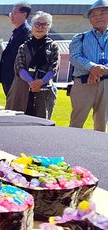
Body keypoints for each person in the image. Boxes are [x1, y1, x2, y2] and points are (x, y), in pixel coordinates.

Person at [6, 11, 60, 119]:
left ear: (48, 27)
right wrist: (31, 82)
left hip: (44, 90)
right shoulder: (24, 46)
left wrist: (41, 82)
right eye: (37, 24)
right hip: (21, 89)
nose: (40, 27)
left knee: (41, 122)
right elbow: (19, 67)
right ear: (32, 26)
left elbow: (54, 67)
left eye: (44, 24)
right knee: (17, 120)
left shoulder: (53, 46)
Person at [69, 0, 108, 132]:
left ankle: (97, 151)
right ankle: (71, 148)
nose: (98, 17)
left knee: (101, 122)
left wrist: (100, 70)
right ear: (90, 19)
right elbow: (75, 57)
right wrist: (92, 67)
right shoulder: (80, 37)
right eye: (94, 15)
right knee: (77, 121)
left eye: (103, 13)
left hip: (106, 84)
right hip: (84, 83)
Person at [0, 2, 33, 96]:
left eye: (15, 13)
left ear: (24, 15)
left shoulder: (27, 32)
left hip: (16, 77)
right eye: (11, 14)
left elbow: (27, 57)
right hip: (8, 76)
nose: (11, 16)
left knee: (15, 106)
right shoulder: (16, 32)